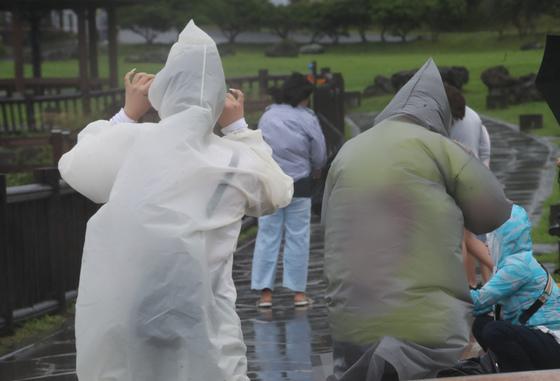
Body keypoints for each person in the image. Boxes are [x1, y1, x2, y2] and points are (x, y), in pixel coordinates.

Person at [59, 21, 293, 381]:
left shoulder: (135, 142)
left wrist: (128, 113)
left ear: (163, 91)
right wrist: (238, 128)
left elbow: (77, 165)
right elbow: (276, 190)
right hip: (199, 304)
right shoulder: (231, 159)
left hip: (126, 301)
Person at [322, 58, 512, 381]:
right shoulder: (440, 147)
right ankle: (396, 360)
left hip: (350, 318)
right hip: (425, 324)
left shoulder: (348, 152)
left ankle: (379, 362)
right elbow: (494, 211)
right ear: (438, 113)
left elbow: (327, 219)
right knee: (434, 345)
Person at [440, 204, 560, 375]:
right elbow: (484, 306)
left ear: (504, 237)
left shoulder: (518, 266)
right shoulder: (514, 262)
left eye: (491, 236)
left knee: (494, 331)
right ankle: (504, 366)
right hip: (540, 338)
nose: (487, 243)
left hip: (554, 345)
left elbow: (478, 301)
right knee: (482, 324)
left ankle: (524, 375)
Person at [251, 73, 327, 308]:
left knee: (267, 235)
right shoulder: (307, 118)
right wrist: (317, 169)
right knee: (298, 236)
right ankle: (298, 294)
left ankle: (265, 294)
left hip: (270, 183)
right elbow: (319, 151)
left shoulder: (268, 116)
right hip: (300, 183)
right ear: (303, 97)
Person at [446, 84, 494, 287]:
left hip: (455, 182)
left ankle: (469, 284)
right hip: (477, 179)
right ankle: (488, 279)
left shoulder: (444, 121)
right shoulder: (474, 116)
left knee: (460, 239)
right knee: (472, 237)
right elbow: (485, 146)